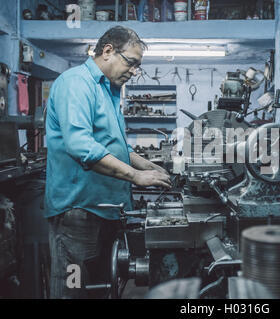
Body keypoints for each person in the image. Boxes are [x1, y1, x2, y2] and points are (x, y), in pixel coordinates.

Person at [44, 26, 171, 298]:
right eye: (131, 63)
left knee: (102, 289)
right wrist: (136, 177)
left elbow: (115, 146)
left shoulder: (109, 91)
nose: (134, 71)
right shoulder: (76, 84)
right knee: (74, 289)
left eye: (138, 66)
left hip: (106, 210)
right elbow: (81, 146)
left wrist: (144, 165)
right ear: (108, 51)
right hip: (78, 211)